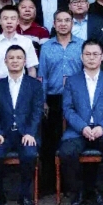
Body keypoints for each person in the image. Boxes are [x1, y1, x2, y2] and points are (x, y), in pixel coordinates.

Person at [58, 40, 103, 205]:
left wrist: (102, 126)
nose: (91, 58)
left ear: (102, 57)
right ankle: (79, 192)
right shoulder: (72, 81)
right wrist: (82, 127)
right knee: (67, 152)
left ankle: (99, 192)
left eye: (95, 54)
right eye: (87, 54)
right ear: (81, 57)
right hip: (78, 130)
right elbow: (68, 109)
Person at [0, 46, 44, 205]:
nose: (15, 61)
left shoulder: (35, 85)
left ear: (25, 61)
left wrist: (31, 132)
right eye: (11, 58)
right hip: (4, 134)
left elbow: (37, 111)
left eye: (19, 58)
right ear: (5, 61)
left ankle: (25, 196)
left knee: (29, 154)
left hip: (26, 133)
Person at [39, 10, 83, 193]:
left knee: (73, 139)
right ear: (54, 24)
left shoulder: (82, 45)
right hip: (54, 98)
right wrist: (43, 101)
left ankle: (73, 184)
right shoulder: (46, 47)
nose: (63, 24)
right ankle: (51, 184)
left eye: (67, 20)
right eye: (59, 21)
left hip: (78, 100)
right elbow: (42, 76)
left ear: (72, 23)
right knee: (52, 140)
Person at [0, 5, 40, 108]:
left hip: (20, 89)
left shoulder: (26, 42)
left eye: (13, 18)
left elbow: (31, 70)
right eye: (5, 18)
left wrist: (31, 95)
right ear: (0, 21)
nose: (9, 22)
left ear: (18, 21)